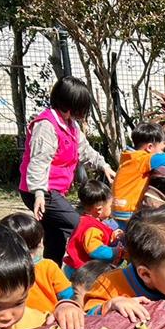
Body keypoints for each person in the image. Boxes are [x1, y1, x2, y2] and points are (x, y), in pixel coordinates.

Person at [18, 76, 116, 264]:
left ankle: (50, 274)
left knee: (56, 237)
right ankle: (96, 262)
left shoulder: (71, 125)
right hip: (41, 190)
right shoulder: (46, 126)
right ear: (70, 104)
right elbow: (38, 161)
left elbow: (84, 150)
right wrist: (38, 193)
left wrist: (104, 166)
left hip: (53, 191)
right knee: (80, 225)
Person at [0, 212, 79, 321]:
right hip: (48, 322)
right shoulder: (48, 266)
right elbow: (69, 295)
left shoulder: (0, 270)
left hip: (16, 323)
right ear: (41, 242)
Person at [112, 121, 165, 228]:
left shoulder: (129, 156)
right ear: (150, 147)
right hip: (129, 210)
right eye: (161, 150)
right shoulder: (142, 159)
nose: (162, 153)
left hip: (118, 208)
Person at [63, 180, 121, 276]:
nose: (112, 208)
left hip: (78, 268)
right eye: (110, 206)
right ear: (99, 209)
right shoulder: (92, 228)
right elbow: (96, 250)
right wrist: (115, 252)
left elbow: (96, 239)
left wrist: (113, 236)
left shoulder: (86, 220)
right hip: (82, 273)